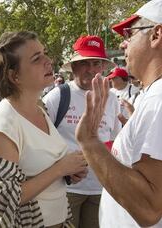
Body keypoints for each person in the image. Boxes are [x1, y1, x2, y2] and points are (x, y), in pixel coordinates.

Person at [75, 0, 162, 227]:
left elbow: (148, 208)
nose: (124, 44)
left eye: (130, 33)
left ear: (156, 34)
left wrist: (89, 142)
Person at [0, 31, 89, 227]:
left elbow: (39, 168)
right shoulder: (5, 123)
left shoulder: (39, 108)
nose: (49, 60)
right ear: (14, 76)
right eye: (37, 58)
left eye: (44, 53)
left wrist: (68, 173)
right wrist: (60, 168)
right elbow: (2, 201)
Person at [43, 35, 121, 228]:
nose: (91, 69)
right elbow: (41, 141)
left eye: (96, 64)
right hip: (65, 187)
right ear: (74, 67)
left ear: (103, 67)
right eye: (85, 63)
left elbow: (114, 141)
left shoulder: (111, 99)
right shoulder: (57, 97)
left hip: (100, 189)